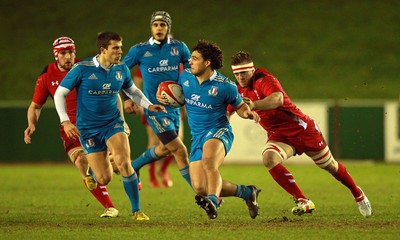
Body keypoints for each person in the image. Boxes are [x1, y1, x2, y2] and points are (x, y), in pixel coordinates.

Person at [228, 51, 372, 217]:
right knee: (269, 158)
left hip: (303, 130)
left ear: (252, 70)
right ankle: (303, 200)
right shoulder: (237, 90)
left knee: (330, 166)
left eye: (243, 73)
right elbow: (230, 110)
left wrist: (253, 105)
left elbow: (277, 99)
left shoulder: (265, 78)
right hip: (279, 135)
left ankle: (358, 194)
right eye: (236, 74)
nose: (240, 77)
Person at [53, 32, 166, 221]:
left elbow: (132, 91)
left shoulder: (121, 68)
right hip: (88, 129)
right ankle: (97, 169)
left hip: (113, 123)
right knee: (104, 178)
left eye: (120, 47)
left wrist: (148, 105)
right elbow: (59, 94)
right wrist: (65, 121)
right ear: (103, 50)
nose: (120, 51)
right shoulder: (82, 69)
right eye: (116, 48)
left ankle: (136, 210)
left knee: (123, 162)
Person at [163, 40, 261, 220]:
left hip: (219, 131)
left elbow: (239, 106)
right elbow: (179, 98)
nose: (189, 62)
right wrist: (166, 100)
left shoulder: (225, 86)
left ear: (207, 63)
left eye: (194, 59)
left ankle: (213, 202)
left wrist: (247, 113)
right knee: (200, 186)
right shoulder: (185, 77)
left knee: (209, 162)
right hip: (198, 136)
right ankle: (247, 192)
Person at [23, 36, 119, 218]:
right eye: (63, 53)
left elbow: (111, 92)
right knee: (82, 162)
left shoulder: (86, 68)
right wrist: (31, 124)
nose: (68, 56)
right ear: (56, 55)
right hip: (71, 128)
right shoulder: (47, 76)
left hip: (97, 124)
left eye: (71, 52)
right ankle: (109, 207)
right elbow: (35, 106)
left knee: (115, 167)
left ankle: (131, 173)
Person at [122, 11, 191, 187]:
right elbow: (120, 72)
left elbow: (191, 74)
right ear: (151, 27)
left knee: (169, 148)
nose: (159, 28)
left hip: (174, 107)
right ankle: (204, 192)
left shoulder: (180, 48)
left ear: (168, 27)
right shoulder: (139, 50)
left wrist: (189, 99)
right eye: (155, 25)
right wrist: (129, 97)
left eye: (163, 24)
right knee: (177, 149)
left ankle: (135, 166)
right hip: (153, 108)